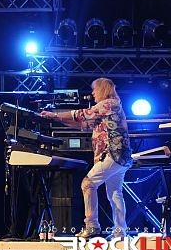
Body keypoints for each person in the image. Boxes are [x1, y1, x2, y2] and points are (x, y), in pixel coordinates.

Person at [40, 78, 133, 239]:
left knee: (88, 184)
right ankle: (120, 231)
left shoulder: (108, 104)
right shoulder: (109, 108)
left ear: (102, 89)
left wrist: (54, 114)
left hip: (112, 154)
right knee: (115, 193)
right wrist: (57, 119)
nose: (93, 93)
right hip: (120, 157)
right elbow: (83, 125)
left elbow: (82, 114)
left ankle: (92, 226)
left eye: (95, 89)